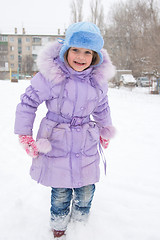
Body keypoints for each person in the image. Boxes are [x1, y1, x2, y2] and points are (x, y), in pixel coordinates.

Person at [14, 22, 116, 239]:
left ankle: (81, 226)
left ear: (95, 56)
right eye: (75, 50)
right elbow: (28, 103)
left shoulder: (97, 82)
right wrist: (25, 134)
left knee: (86, 189)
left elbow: (102, 106)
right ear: (65, 51)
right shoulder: (52, 76)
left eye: (87, 52)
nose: (81, 56)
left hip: (86, 142)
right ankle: (59, 226)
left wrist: (105, 129)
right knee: (60, 191)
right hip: (57, 139)